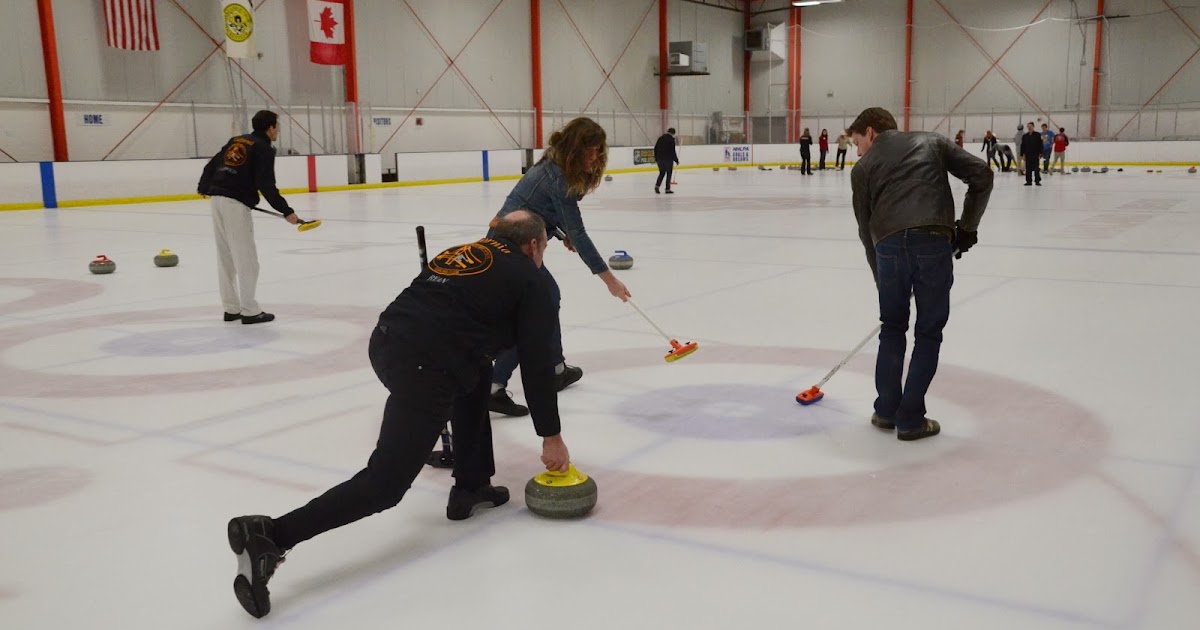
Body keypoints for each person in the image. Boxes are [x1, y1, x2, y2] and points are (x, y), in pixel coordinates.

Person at [225, 211, 574, 619]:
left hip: (386, 342)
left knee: (476, 370)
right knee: (385, 485)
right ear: (533, 246)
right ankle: (271, 534)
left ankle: (472, 485)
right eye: (544, 248)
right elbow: (534, 365)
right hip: (425, 366)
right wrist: (551, 435)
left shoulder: (463, 251)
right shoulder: (532, 281)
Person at [848, 107, 992, 441]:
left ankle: (886, 411)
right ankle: (911, 419)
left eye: (857, 142)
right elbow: (982, 175)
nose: (857, 152)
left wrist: (881, 277)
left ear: (870, 132)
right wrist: (967, 229)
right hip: (933, 243)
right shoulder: (933, 143)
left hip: (887, 248)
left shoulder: (862, 168)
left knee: (892, 328)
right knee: (928, 332)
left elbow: (864, 229)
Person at [486, 117, 631, 417]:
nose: (594, 158)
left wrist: (559, 233)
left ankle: (555, 368)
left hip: (521, 244)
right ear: (574, 149)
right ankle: (494, 386)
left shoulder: (555, 168)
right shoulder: (558, 178)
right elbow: (578, 230)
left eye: (597, 151)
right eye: (589, 151)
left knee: (548, 299)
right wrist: (609, 280)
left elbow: (544, 212)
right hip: (511, 248)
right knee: (535, 311)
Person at [197, 110, 298, 325]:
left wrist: (204, 186)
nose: (278, 130)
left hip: (217, 201)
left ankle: (231, 308)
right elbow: (266, 185)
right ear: (270, 128)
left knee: (226, 257)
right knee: (247, 260)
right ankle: (250, 310)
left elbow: (213, 164)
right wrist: (286, 211)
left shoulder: (237, 141)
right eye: (277, 126)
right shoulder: (264, 148)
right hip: (235, 205)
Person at [654, 127, 679, 194]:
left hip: (660, 159)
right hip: (668, 159)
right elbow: (672, 151)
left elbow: (655, 148)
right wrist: (676, 160)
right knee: (669, 173)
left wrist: (656, 158)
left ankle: (657, 186)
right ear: (673, 133)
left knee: (661, 173)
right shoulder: (671, 140)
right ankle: (667, 189)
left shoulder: (660, 138)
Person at [1022, 122, 1044, 186]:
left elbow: (1041, 144)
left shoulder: (1037, 135)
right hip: (1027, 155)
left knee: (1036, 168)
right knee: (1028, 169)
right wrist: (1022, 154)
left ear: (1033, 127)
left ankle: (1037, 181)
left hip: (1035, 154)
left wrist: (1041, 153)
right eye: (1028, 126)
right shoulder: (1025, 136)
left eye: (1030, 126)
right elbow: (1023, 145)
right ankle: (1028, 181)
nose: (1029, 127)